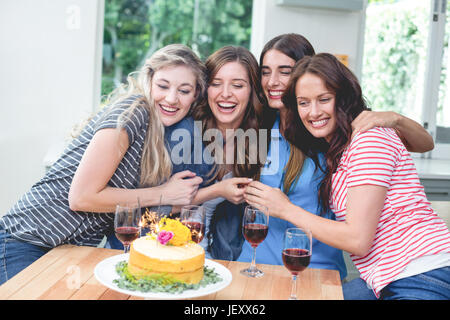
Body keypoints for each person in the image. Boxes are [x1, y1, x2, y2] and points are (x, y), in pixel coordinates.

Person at [216, 33, 435, 280]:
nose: (273, 81)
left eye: (285, 71)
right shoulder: (257, 128)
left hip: (316, 269)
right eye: (265, 72)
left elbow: (424, 143)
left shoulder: (332, 130)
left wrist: (395, 118)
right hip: (254, 266)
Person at [0, 44, 208, 285]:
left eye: (184, 90)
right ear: (149, 81)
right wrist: (163, 193)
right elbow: (81, 197)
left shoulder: (157, 136)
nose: (171, 98)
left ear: (195, 96)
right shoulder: (134, 111)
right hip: (24, 240)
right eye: (163, 86)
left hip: (63, 250)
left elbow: (135, 205)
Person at [189, 46, 267, 257]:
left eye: (238, 85)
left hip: (221, 258)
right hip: (171, 251)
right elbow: (160, 204)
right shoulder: (186, 130)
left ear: (252, 90)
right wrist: (219, 190)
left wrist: (364, 117)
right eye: (216, 84)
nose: (225, 94)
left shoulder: (261, 137)